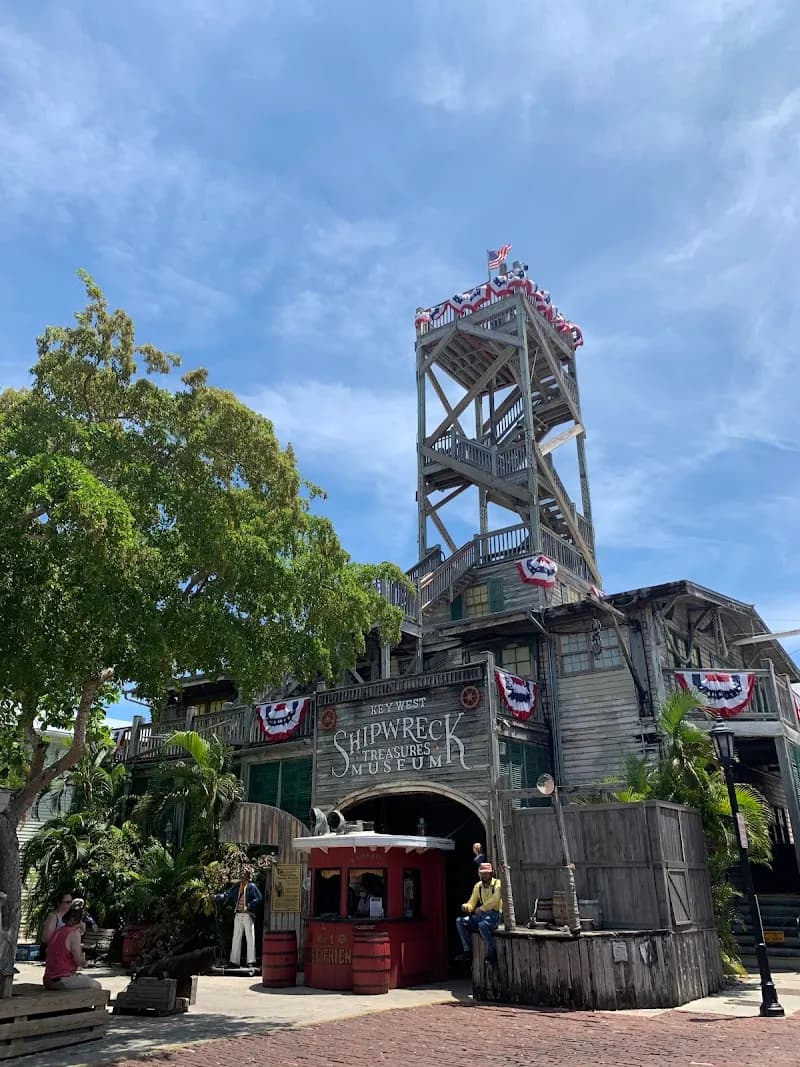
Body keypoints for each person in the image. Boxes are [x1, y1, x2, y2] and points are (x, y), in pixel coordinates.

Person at [43, 903, 102, 990]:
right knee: (96, 986)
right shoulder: (74, 933)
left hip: (49, 980)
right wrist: (85, 962)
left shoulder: (58, 931)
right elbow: (79, 960)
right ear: (81, 922)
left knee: (82, 981)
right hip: (62, 980)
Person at [215, 867, 262, 973]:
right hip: (238, 914)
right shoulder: (238, 887)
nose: (242, 876)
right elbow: (227, 894)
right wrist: (217, 896)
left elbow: (259, 898)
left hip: (247, 914)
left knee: (250, 937)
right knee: (236, 937)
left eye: (244, 874)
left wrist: (249, 905)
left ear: (248, 876)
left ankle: (251, 960)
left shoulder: (252, 886)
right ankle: (234, 960)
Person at [456, 862, 503, 965]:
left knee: (482, 925)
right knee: (460, 921)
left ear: (491, 873)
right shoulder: (478, 886)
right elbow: (472, 902)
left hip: (494, 915)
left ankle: (492, 953)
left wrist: (482, 908)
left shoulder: (497, 883)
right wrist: (466, 906)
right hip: (482, 915)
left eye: (486, 873)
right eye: (482, 873)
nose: (483, 876)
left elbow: (495, 899)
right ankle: (468, 951)